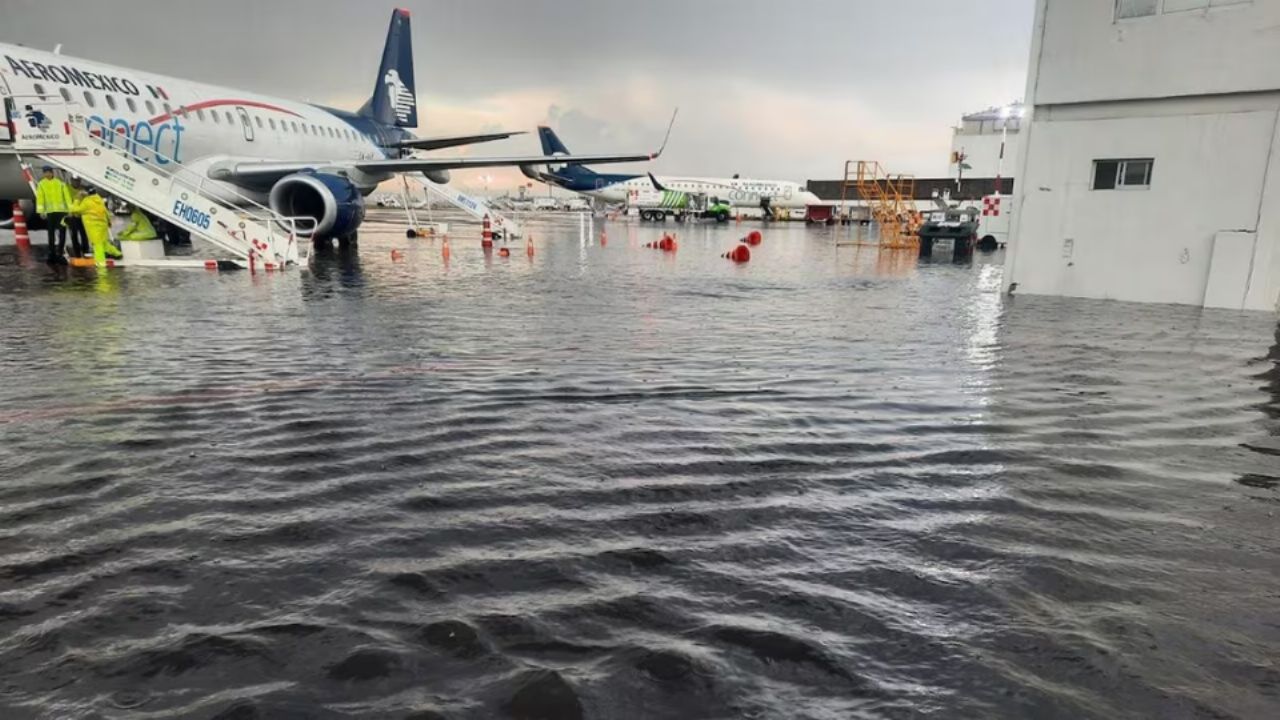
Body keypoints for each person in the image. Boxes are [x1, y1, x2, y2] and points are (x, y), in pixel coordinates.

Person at [71, 186, 121, 266]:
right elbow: (105, 210)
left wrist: (77, 200)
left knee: (97, 245)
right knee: (104, 243)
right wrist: (108, 221)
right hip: (103, 225)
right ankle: (117, 254)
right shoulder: (99, 199)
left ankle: (101, 264)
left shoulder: (86, 202)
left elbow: (74, 209)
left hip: (93, 227)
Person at [35, 166, 72, 263]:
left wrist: (70, 210)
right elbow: (40, 199)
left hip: (62, 212)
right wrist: (41, 211)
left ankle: (60, 252)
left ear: (52, 173)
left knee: (62, 232)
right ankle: (52, 252)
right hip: (50, 212)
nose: (47, 174)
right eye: (45, 173)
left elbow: (67, 197)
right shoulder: (41, 184)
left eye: (48, 172)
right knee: (50, 233)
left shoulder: (60, 183)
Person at [64, 176, 89, 257]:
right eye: (74, 181)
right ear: (71, 180)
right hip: (71, 215)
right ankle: (76, 251)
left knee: (84, 233)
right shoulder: (66, 188)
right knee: (74, 234)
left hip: (82, 215)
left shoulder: (83, 189)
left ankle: (85, 250)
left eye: (78, 181)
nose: (76, 182)